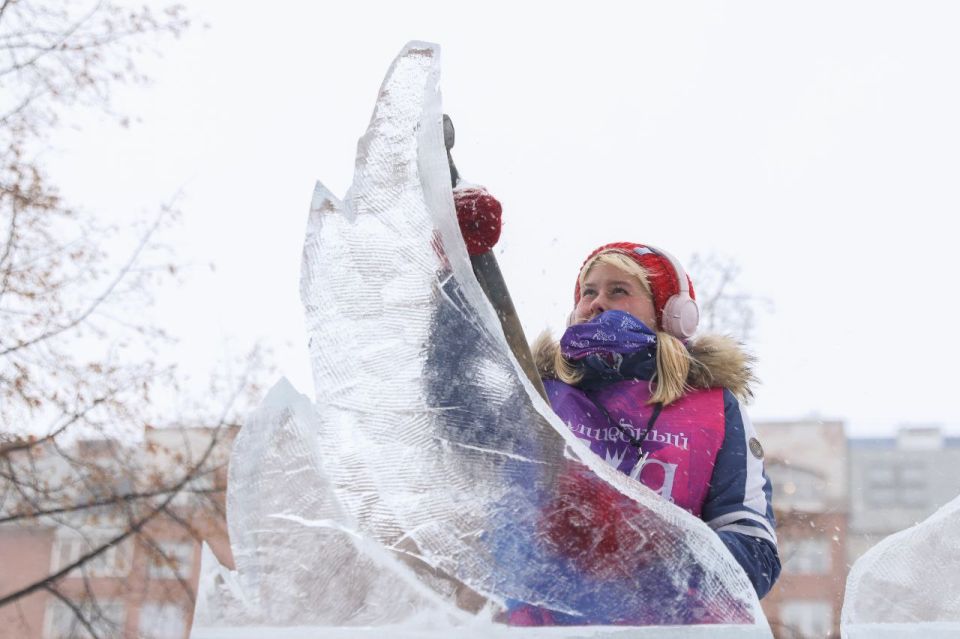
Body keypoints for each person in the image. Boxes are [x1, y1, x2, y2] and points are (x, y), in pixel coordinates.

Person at [526, 242, 781, 618]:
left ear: (671, 316)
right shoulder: (540, 394)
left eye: (619, 291)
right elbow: (457, 433)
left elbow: (755, 549)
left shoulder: (714, 408)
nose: (596, 303)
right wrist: (454, 272)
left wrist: (661, 556)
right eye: (588, 292)